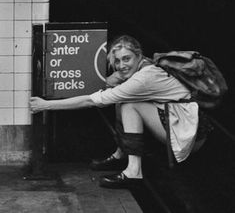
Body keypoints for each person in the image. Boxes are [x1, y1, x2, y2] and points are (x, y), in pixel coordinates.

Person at [30, 35, 210, 189]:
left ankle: (134, 171)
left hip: (189, 133)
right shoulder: (145, 65)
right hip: (187, 123)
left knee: (128, 106)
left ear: (138, 56)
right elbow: (109, 83)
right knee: (124, 100)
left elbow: (90, 100)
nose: (121, 65)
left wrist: (46, 105)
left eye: (127, 58)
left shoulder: (143, 78)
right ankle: (121, 153)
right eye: (117, 61)